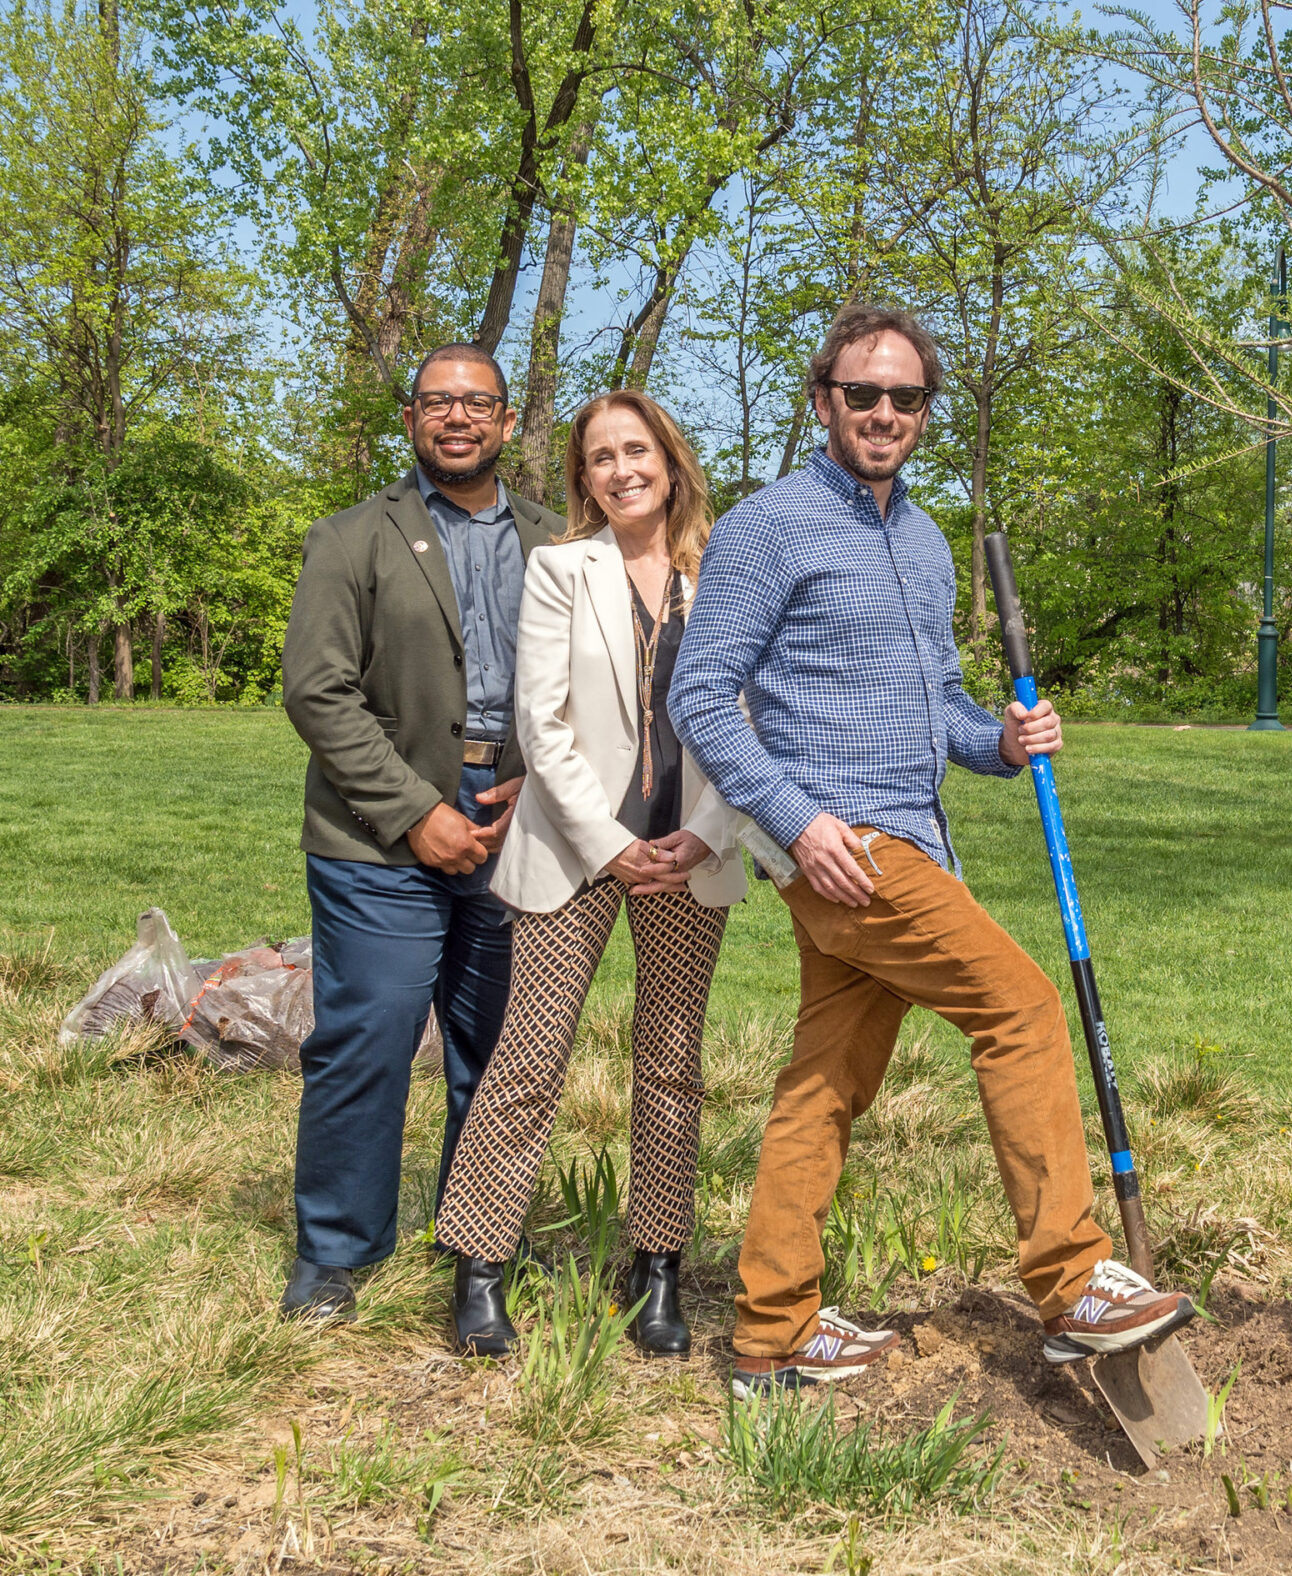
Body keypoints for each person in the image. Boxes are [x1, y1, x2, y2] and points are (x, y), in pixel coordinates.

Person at [669, 302, 1193, 1397]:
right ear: (822, 401)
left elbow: (940, 704)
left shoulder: (921, 537)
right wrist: (799, 824)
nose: (884, 413)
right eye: (862, 393)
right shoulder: (767, 528)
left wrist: (999, 741)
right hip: (844, 845)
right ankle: (1071, 1278)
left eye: (906, 398)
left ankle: (770, 1329)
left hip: (905, 836)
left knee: (824, 1084)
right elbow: (701, 699)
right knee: (1021, 1008)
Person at [433, 391, 748, 1358]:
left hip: (690, 851)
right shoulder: (562, 569)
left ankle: (656, 1268)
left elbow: (751, 718)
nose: (621, 471)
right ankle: (479, 1265)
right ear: (583, 479)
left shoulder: (724, 573)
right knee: (529, 1058)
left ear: (670, 459)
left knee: (669, 1065)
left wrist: (700, 832)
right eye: (600, 458)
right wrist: (611, 843)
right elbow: (542, 723)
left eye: (636, 451)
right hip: (576, 850)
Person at [279, 345, 563, 1322]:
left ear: (506, 422)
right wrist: (415, 812)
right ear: (410, 419)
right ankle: (335, 1252)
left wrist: (542, 784)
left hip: (520, 828)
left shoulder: (562, 542)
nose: (457, 417)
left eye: (476, 402)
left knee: (500, 1047)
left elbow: (594, 690)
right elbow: (317, 692)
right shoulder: (352, 538)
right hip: (377, 840)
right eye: (438, 402)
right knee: (370, 1035)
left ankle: (481, 1241)